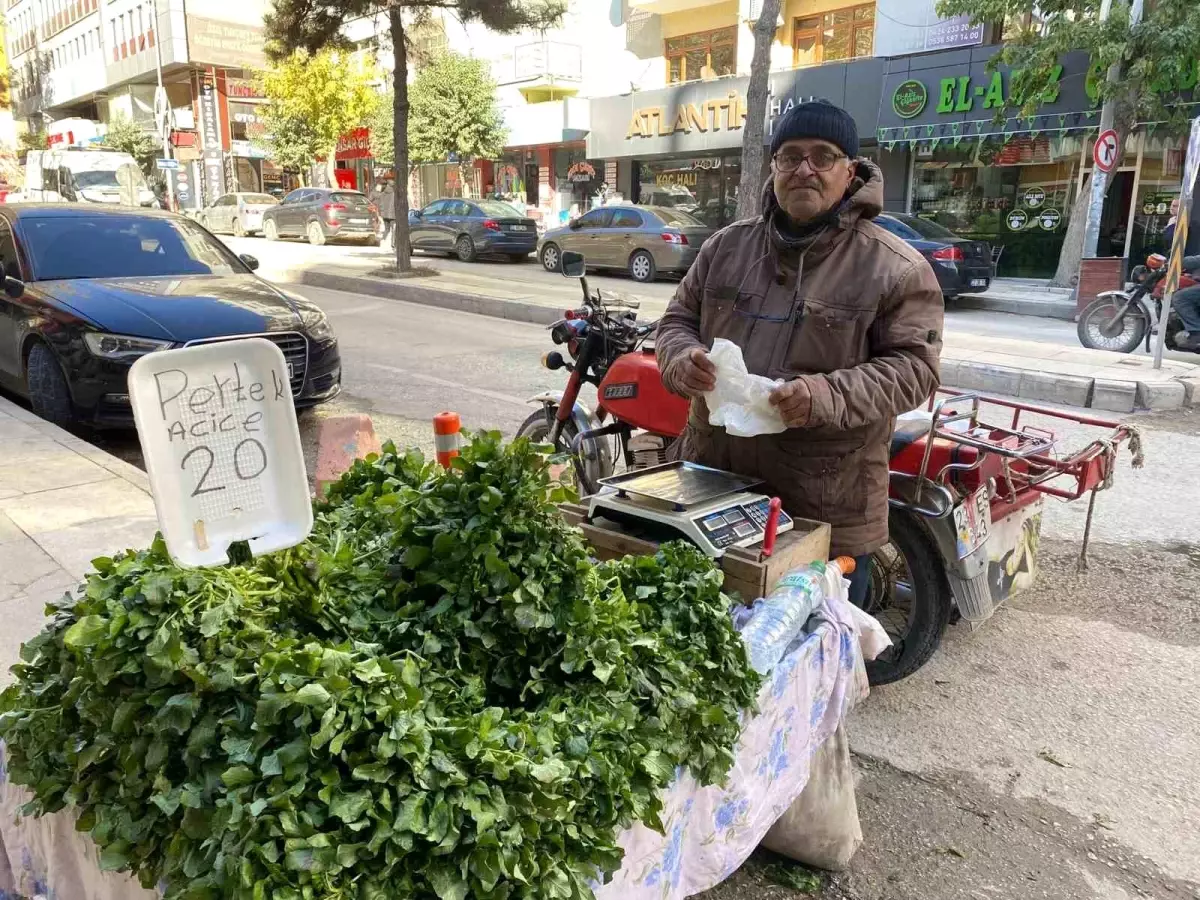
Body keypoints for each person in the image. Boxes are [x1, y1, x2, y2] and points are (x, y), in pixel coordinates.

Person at [655, 99, 944, 606]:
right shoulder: (725, 248)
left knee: (811, 665)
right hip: (715, 490)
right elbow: (677, 321)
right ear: (773, 167)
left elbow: (916, 371)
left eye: (823, 156)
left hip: (824, 506)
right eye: (790, 156)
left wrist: (821, 395)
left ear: (850, 170)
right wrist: (681, 360)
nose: (804, 169)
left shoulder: (895, 267)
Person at [372, 180, 397, 247]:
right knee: (394, 229)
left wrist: (377, 187)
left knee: (387, 229)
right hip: (393, 215)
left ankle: (383, 241)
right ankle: (393, 243)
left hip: (384, 214)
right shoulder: (396, 193)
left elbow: (374, 196)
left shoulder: (382, 193)